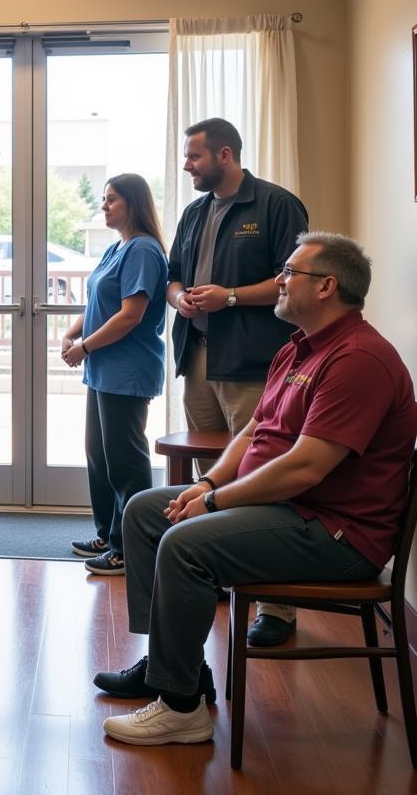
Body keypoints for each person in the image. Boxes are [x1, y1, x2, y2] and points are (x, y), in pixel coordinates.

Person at [95, 233, 417, 747]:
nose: (281, 281)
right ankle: (174, 669)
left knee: (184, 543)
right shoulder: (297, 348)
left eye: (291, 273)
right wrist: (207, 482)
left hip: (335, 534)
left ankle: (181, 711)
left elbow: (305, 468)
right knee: (145, 512)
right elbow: (253, 433)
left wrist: (216, 501)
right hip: (291, 510)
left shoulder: (359, 359)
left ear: (328, 286)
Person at [167, 117, 308, 647]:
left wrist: (228, 296)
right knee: (214, 471)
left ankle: (276, 606)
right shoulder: (195, 212)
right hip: (198, 358)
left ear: (224, 155)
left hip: (252, 360)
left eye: (194, 158)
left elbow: (292, 279)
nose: (187, 166)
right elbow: (172, 274)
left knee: (263, 473)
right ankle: (221, 568)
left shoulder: (275, 204)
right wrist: (179, 297)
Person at [61, 174, 169, 576]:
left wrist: (85, 347)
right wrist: (73, 332)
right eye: (103, 200)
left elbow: (130, 315)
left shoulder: (142, 249)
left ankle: (131, 548)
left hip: (127, 368)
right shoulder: (116, 248)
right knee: (99, 453)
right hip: (103, 368)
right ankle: (108, 533)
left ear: (133, 203)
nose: (104, 207)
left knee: (125, 461)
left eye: (111, 200)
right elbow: (99, 304)